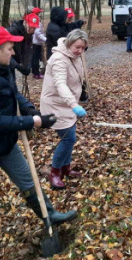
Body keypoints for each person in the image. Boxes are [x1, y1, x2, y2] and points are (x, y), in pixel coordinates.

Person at [0, 27, 77, 257]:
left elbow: (12, 94)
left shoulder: (1, 66)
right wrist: (32, 121)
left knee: (28, 180)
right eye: (10, 48)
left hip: (5, 142)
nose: (13, 53)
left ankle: (48, 215)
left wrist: (28, 107)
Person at [40, 29, 88, 189]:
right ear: (69, 43)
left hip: (69, 104)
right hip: (56, 105)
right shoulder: (59, 59)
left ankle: (66, 168)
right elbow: (60, 84)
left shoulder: (75, 56)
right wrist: (74, 105)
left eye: (83, 48)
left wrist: (81, 93)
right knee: (68, 139)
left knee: (69, 137)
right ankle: (55, 173)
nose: (80, 51)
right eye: (77, 47)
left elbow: (77, 76)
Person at [7, 11, 40, 79]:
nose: (33, 30)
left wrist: (27, 65)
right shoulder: (12, 31)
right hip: (7, 65)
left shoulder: (29, 35)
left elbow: (27, 51)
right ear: (25, 23)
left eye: (35, 28)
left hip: (15, 64)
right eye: (32, 27)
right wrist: (17, 66)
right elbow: (4, 52)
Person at [30, 8, 46, 79]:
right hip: (37, 43)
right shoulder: (37, 21)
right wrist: (45, 39)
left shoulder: (33, 20)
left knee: (35, 58)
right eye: (39, 13)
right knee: (36, 59)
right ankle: (36, 74)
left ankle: (35, 72)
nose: (40, 14)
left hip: (35, 42)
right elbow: (37, 32)